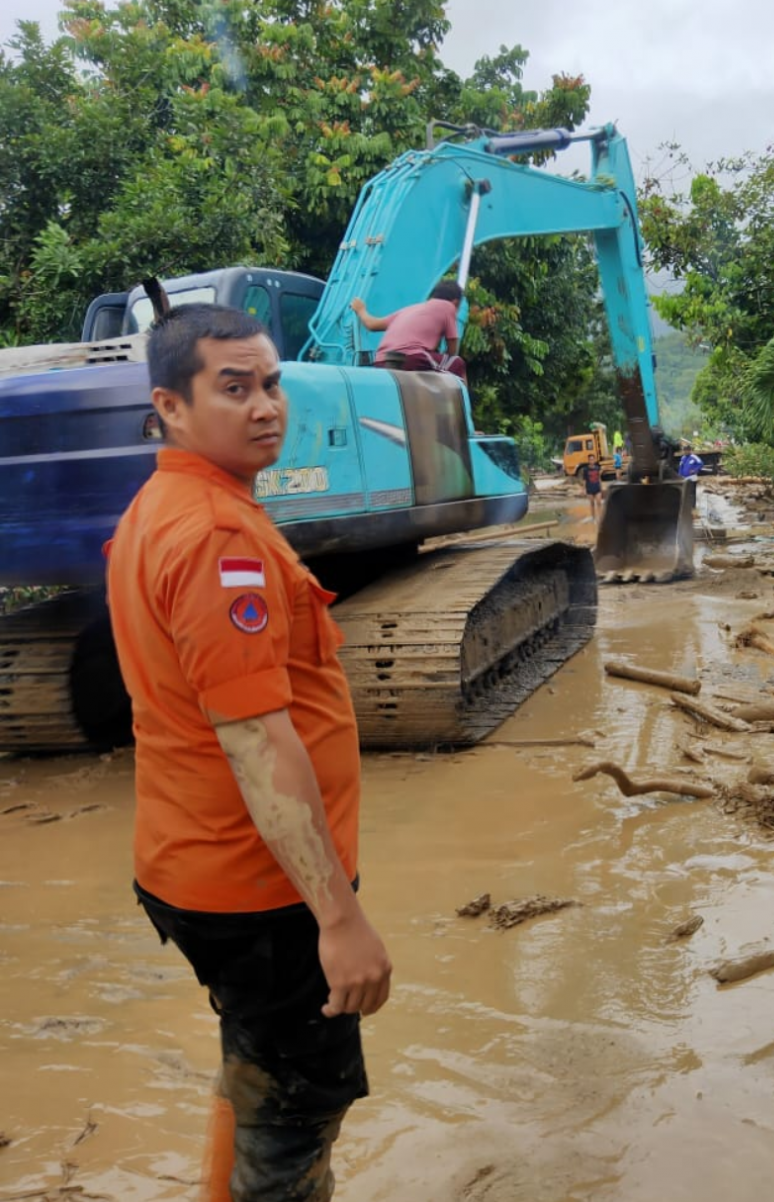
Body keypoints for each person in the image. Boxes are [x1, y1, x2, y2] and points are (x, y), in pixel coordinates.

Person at [105, 304, 392, 1202]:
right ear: (172, 406)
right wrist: (339, 922)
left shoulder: (165, 506)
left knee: (256, 1064)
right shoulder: (217, 538)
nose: (266, 406)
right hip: (261, 894)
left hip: (192, 867)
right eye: (234, 388)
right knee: (295, 1127)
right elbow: (257, 741)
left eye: (271, 383)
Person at [349, 279, 467, 380]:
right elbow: (452, 349)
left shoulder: (408, 310)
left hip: (382, 361)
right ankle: (464, 405)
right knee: (457, 363)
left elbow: (372, 325)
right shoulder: (449, 307)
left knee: (435, 363)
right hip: (412, 357)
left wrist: (361, 309)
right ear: (456, 302)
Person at [584, 453, 603, 521]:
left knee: (599, 502)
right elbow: (585, 480)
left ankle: (600, 517)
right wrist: (584, 490)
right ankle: (593, 517)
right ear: (588, 460)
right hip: (590, 488)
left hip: (597, 487)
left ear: (594, 460)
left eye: (592, 459)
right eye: (590, 459)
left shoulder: (597, 468)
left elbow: (599, 478)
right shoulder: (585, 470)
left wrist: (601, 487)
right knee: (592, 503)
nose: (591, 461)